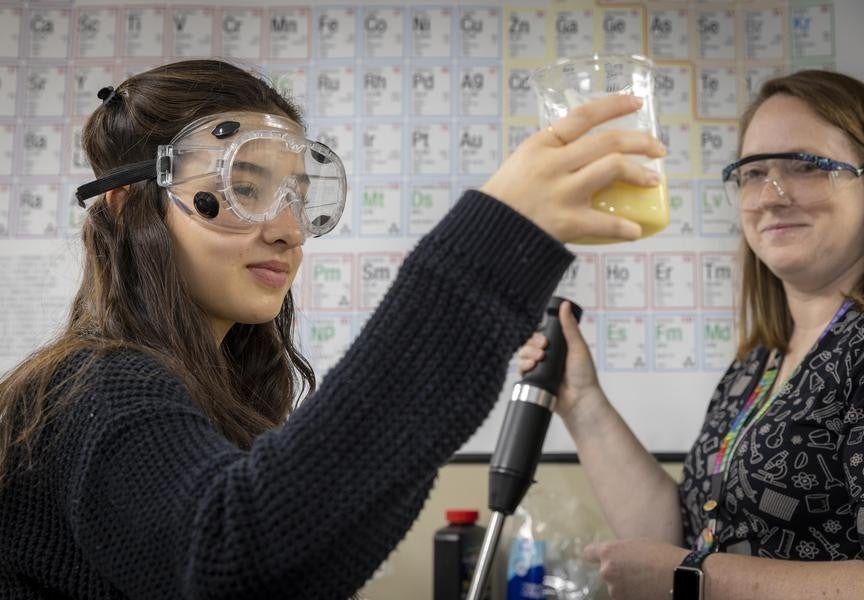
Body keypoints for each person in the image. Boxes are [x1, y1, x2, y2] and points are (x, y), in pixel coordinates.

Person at [0, 59, 665, 599]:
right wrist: (487, 245)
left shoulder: (203, 400)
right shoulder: (92, 388)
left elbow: (302, 572)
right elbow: (226, 561)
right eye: (244, 186)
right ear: (125, 208)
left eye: (298, 195)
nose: (288, 228)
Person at [519, 70, 864, 599]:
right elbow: (682, 535)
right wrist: (582, 401)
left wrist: (693, 579)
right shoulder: (760, 362)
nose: (771, 195)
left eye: (807, 166)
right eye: (753, 171)